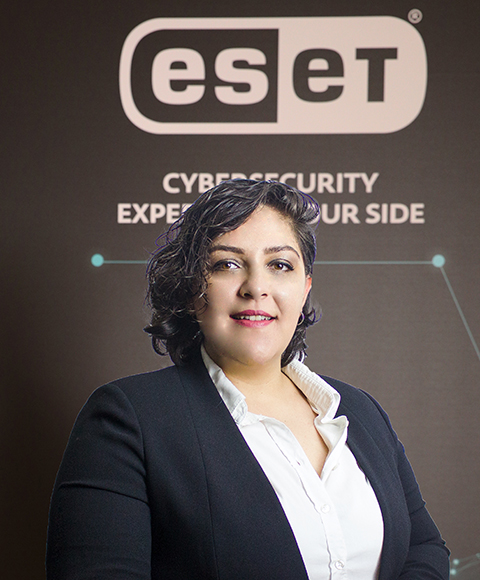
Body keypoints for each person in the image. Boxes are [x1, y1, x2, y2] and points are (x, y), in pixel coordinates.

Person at [46, 180, 449, 579]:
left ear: (305, 288)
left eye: (280, 265)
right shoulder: (128, 419)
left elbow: (423, 548)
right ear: (192, 289)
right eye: (227, 264)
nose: (256, 287)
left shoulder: (359, 410)